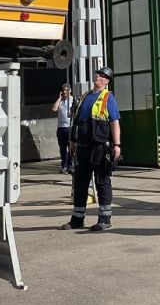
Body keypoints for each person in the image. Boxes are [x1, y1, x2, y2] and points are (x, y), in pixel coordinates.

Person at [61, 66, 121, 232]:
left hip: (100, 147)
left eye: (102, 76)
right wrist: (72, 141)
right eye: (97, 74)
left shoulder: (108, 98)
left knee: (102, 182)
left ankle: (104, 219)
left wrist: (117, 145)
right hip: (82, 146)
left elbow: (114, 122)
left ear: (107, 81)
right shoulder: (85, 96)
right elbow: (77, 120)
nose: (97, 77)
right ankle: (77, 219)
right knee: (80, 183)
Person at [50, 83, 75, 173]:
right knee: (62, 148)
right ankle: (64, 165)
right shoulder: (60, 101)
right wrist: (59, 98)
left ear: (70, 91)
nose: (64, 92)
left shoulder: (73, 100)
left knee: (71, 147)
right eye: (63, 90)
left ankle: (70, 165)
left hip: (70, 127)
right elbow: (54, 108)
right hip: (61, 127)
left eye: (66, 90)